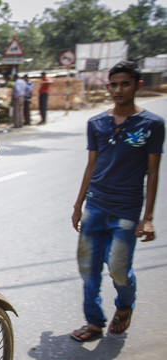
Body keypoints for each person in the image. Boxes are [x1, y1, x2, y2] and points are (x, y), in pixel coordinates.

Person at [70, 60, 164, 342]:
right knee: (88, 269)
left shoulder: (152, 125)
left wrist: (147, 218)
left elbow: (154, 172)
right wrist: (78, 206)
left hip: (126, 209)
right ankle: (94, 322)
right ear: (107, 86)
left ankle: (124, 306)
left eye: (125, 84)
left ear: (138, 85)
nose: (118, 89)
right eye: (114, 84)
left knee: (119, 270)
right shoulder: (96, 123)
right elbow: (91, 166)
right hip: (95, 205)